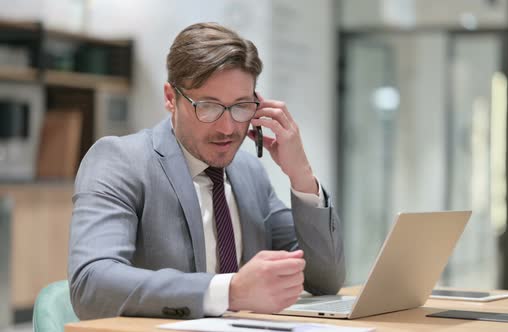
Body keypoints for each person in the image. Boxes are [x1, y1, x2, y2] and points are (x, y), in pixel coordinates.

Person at [68, 22, 345, 320]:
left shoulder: (249, 171)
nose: (227, 128)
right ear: (170, 99)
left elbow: (324, 280)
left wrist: (301, 174)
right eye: (208, 106)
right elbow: (91, 284)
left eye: (241, 107)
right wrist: (230, 291)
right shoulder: (121, 160)